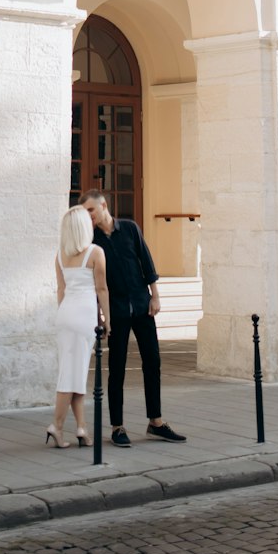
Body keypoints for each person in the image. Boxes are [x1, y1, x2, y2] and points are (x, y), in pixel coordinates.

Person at [80, 189, 186, 447]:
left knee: (153, 362)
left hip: (141, 306)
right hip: (115, 312)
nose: (89, 216)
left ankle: (156, 423)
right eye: (85, 213)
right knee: (116, 369)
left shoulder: (129, 228)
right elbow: (91, 283)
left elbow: (145, 261)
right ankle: (117, 427)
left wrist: (155, 295)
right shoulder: (91, 242)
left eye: (91, 210)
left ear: (103, 205)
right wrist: (100, 318)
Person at [47, 205, 111, 449]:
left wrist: (65, 314)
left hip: (65, 315)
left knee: (76, 373)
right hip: (84, 317)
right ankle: (57, 425)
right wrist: (107, 320)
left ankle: (82, 428)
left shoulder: (60, 255)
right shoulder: (95, 252)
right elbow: (101, 289)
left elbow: (61, 290)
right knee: (71, 375)